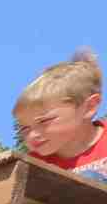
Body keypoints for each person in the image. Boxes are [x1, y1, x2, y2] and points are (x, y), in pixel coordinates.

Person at [18, 49, 107, 181]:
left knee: (90, 178)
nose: (32, 135)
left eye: (44, 121)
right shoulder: (33, 166)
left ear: (89, 107)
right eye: (24, 128)